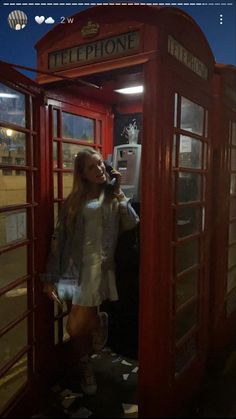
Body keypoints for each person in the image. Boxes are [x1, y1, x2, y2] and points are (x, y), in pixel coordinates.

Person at [41, 148, 139, 395]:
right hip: (75, 270)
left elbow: (132, 223)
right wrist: (50, 277)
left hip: (102, 271)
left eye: (100, 165)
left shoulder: (113, 198)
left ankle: (85, 364)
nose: (99, 170)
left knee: (75, 326)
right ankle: (94, 333)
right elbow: (58, 240)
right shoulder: (74, 202)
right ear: (82, 175)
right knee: (76, 326)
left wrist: (118, 192)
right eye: (91, 168)